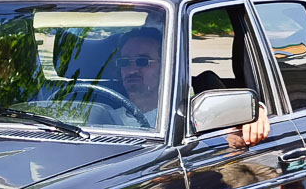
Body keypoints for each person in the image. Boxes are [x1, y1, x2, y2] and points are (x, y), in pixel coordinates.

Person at [115, 27, 269, 143]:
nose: (132, 69)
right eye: (125, 62)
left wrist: (258, 111)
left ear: (166, 65)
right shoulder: (100, 116)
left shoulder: (193, 114)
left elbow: (237, 116)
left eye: (143, 61)